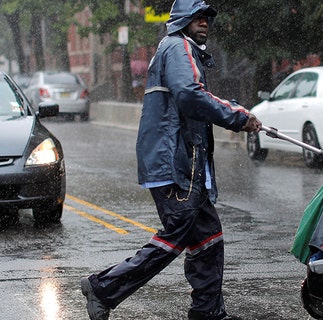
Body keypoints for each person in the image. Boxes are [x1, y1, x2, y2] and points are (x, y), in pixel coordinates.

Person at [80, 1, 261, 319]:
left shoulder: (182, 49)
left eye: (207, 18)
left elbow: (191, 98)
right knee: (177, 232)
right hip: (175, 164)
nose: (204, 22)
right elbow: (190, 95)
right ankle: (103, 288)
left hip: (182, 163)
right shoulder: (178, 47)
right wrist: (237, 116)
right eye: (197, 17)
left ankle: (207, 312)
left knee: (209, 238)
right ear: (181, 20)